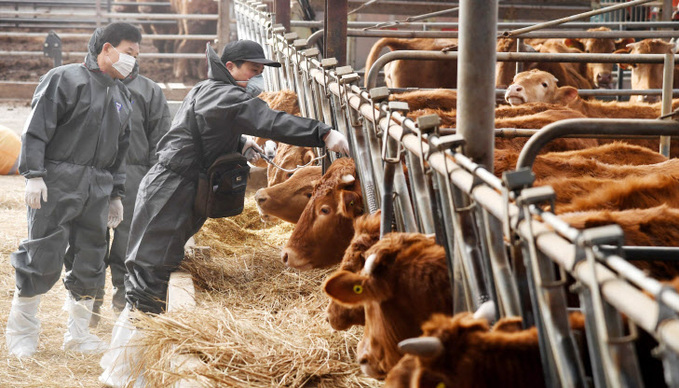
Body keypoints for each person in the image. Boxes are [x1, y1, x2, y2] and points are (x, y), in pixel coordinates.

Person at [98, 39, 349, 386]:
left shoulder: (210, 88)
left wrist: (238, 142)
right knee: (149, 273)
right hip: (173, 187)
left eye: (260, 71)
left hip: (179, 183)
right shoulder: (225, 95)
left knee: (154, 268)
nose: (256, 76)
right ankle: (124, 373)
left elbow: (205, 130)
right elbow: (267, 119)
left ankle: (127, 367)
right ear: (229, 67)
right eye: (251, 69)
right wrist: (321, 133)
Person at [5, 22, 141, 358]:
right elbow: (36, 128)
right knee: (43, 254)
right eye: (129, 52)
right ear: (106, 49)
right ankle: (22, 333)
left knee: (91, 258)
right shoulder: (64, 79)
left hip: (98, 187)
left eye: (137, 54)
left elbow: (121, 151)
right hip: (58, 182)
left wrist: (115, 194)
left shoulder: (122, 96)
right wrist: (34, 173)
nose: (134, 60)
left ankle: (78, 335)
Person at [63, 57, 172, 328]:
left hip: (136, 177)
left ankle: (124, 304)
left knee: (129, 243)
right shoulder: (88, 85)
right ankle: (88, 305)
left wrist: (153, 181)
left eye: (132, 51)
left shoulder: (148, 90)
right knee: (88, 240)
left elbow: (160, 139)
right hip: (94, 173)